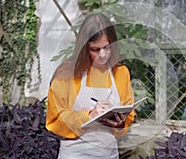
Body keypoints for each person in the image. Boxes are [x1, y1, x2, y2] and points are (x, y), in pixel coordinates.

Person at [46, 13, 135, 159]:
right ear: (84, 48)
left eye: (107, 47)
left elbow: (128, 117)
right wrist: (89, 116)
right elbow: (54, 120)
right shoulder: (66, 73)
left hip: (109, 154)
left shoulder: (121, 72)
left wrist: (120, 124)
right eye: (95, 49)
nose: (103, 54)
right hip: (74, 154)